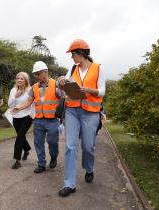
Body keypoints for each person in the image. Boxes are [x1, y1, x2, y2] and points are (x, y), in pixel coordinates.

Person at [57, 39, 105, 197]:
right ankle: (69, 184)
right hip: (72, 111)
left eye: (73, 54)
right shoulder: (72, 69)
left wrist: (90, 90)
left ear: (81, 53)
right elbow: (63, 83)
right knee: (70, 146)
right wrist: (61, 81)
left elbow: (102, 91)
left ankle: (89, 168)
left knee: (88, 146)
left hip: (90, 112)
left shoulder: (98, 68)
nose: (72, 58)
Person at [12, 61, 62, 173]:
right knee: (38, 142)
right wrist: (19, 107)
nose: (37, 76)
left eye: (38, 73)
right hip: (39, 120)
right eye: (35, 74)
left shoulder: (56, 84)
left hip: (52, 120)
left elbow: (63, 99)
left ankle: (54, 156)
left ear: (45, 72)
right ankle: (41, 164)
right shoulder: (34, 87)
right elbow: (29, 101)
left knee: (52, 142)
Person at [8, 72, 33, 169]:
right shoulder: (13, 90)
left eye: (21, 78)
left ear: (26, 81)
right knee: (21, 136)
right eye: (18, 78)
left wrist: (33, 116)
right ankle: (26, 149)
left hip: (27, 117)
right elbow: (10, 105)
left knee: (19, 138)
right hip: (16, 117)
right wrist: (16, 96)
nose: (19, 80)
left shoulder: (30, 90)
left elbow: (32, 103)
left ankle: (17, 161)